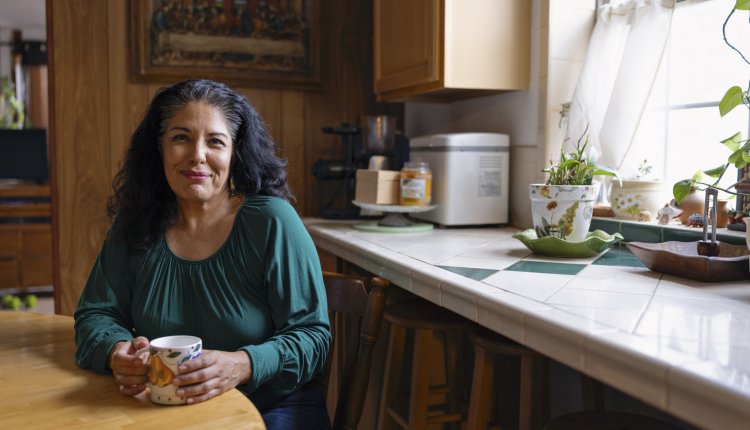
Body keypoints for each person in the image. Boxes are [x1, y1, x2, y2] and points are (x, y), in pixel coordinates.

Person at [74, 79, 332, 429]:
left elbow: (313, 337)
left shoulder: (272, 221)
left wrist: (243, 364)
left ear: (234, 153)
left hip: (273, 406)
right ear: (160, 148)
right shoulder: (136, 225)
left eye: (215, 141)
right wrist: (115, 351)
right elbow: (95, 314)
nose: (197, 154)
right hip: (172, 410)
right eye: (181, 137)